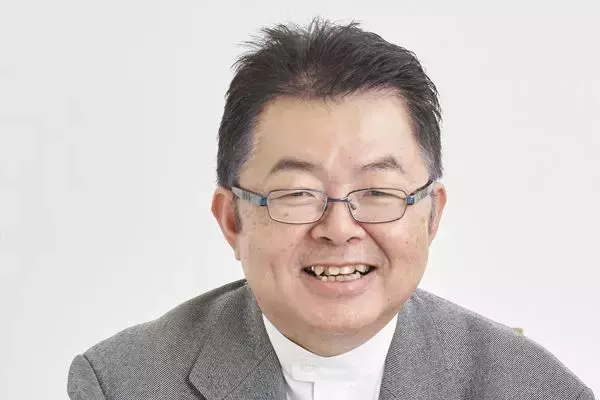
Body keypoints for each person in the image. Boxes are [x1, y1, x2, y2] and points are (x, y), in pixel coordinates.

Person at [67, 18, 594, 400]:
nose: (339, 229)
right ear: (231, 219)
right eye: (297, 193)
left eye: (378, 192)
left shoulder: (532, 388)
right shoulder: (124, 382)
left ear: (432, 215)